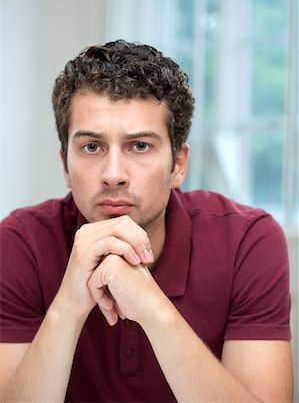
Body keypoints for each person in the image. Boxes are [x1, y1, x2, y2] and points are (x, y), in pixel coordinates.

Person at [0, 40, 293, 402]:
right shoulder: (19, 242)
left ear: (179, 164)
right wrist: (68, 306)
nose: (113, 174)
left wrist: (154, 310)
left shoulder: (248, 239)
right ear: (65, 165)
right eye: (92, 146)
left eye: (140, 146)